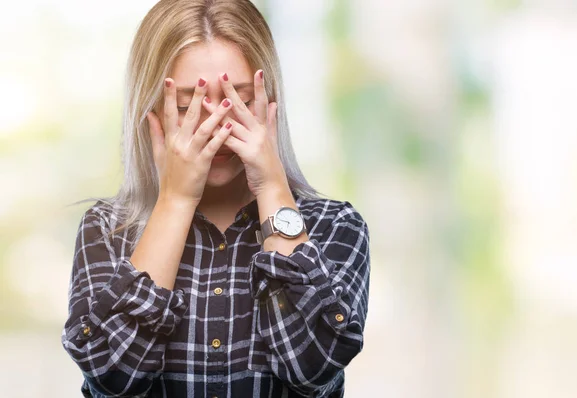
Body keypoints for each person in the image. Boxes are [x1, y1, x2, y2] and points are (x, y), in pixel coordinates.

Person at [61, 0, 371, 397]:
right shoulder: (107, 229)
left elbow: (312, 367)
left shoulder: (335, 227)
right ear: (150, 109)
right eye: (189, 106)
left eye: (237, 101)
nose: (215, 127)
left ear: (269, 100)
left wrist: (272, 189)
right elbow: (112, 378)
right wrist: (174, 199)